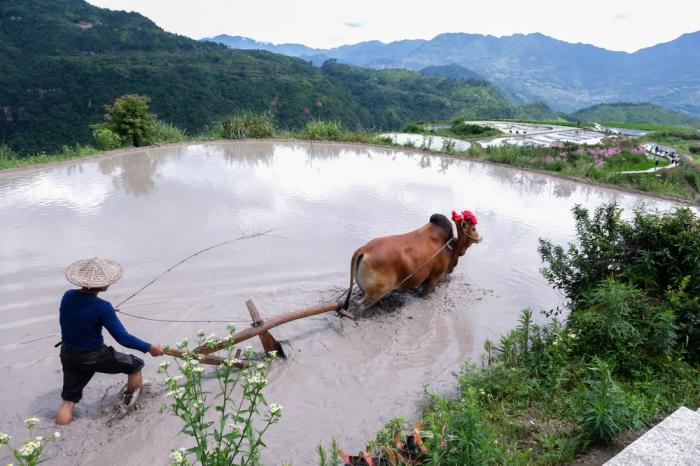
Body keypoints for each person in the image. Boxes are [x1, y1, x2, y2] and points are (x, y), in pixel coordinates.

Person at [56, 257, 164, 425]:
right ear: (104, 284)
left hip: (68, 354)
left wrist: (107, 313)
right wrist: (149, 347)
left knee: (69, 400)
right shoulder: (103, 307)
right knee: (135, 365)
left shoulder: (68, 295)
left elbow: (80, 313)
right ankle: (128, 410)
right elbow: (123, 338)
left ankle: (59, 431)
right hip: (93, 356)